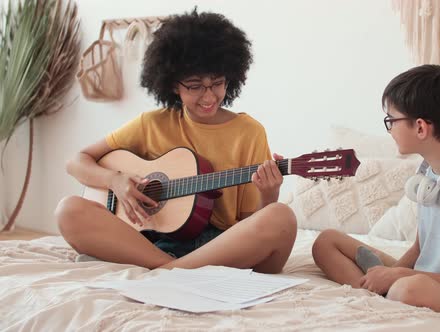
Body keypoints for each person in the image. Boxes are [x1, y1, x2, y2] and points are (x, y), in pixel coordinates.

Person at [56, 8, 297, 273]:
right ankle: (174, 267)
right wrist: (116, 180)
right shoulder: (152, 123)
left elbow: (251, 223)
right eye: (195, 86)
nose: (208, 96)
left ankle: (166, 268)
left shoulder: (249, 132)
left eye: (217, 83)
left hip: (218, 244)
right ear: (173, 85)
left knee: (280, 217)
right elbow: (76, 162)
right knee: (68, 210)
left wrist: (269, 193)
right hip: (145, 239)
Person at [312, 65, 440, 321]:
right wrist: (390, 273)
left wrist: (399, 275)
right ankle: (379, 292)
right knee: (326, 242)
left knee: (407, 288)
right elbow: (420, 247)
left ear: (420, 128)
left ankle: (383, 295)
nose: (389, 129)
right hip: (425, 277)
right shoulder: (429, 172)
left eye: (391, 121)